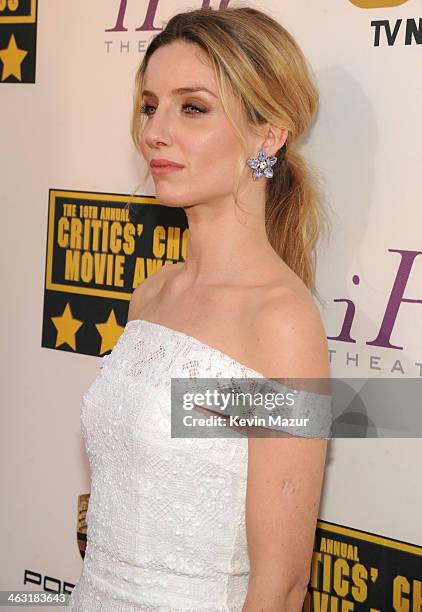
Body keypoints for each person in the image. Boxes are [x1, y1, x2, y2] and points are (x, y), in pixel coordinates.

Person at [64, 5, 332, 611]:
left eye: (193, 107)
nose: (155, 131)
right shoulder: (152, 294)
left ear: (269, 134)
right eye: (150, 105)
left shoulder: (282, 325)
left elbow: (282, 584)